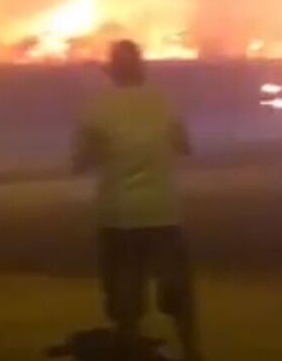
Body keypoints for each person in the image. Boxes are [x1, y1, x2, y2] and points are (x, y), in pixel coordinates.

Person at [73, 40, 200, 361]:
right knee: (178, 293)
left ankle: (129, 352)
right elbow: (183, 146)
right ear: (142, 69)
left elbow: (80, 163)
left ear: (112, 71)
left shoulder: (97, 107)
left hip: (118, 214)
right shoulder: (163, 102)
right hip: (162, 211)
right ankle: (192, 353)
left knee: (125, 296)